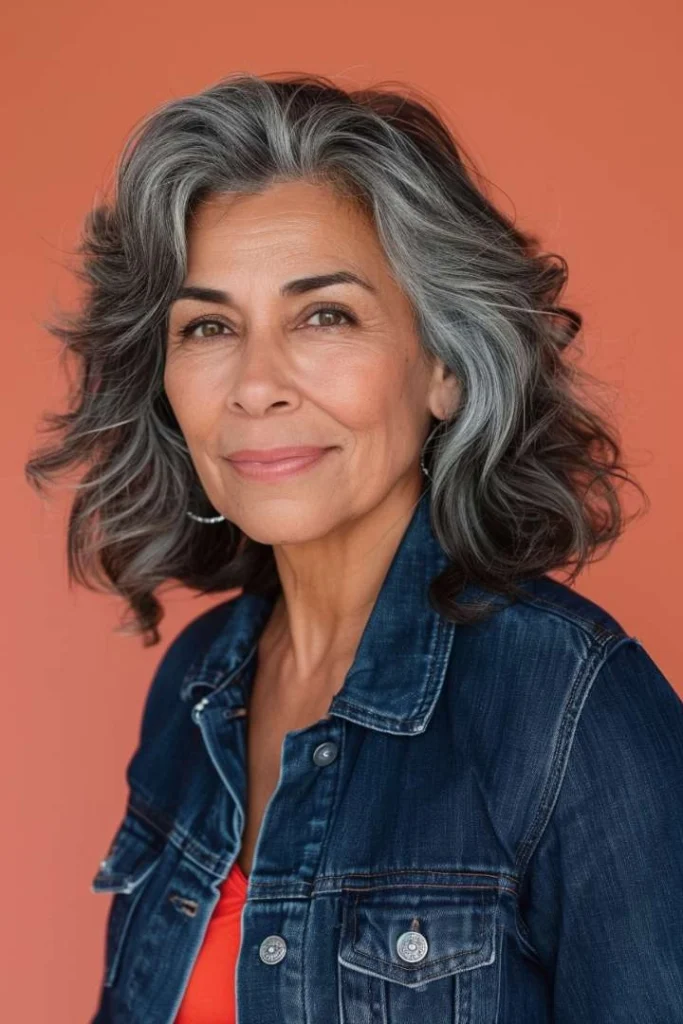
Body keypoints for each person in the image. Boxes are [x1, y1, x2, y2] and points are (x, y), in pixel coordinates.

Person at [25, 71, 683, 1024]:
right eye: (209, 326)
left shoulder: (567, 704)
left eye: (323, 315)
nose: (256, 385)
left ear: (446, 370)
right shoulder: (197, 688)